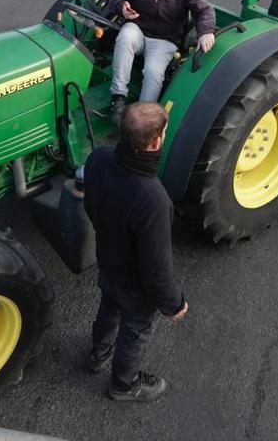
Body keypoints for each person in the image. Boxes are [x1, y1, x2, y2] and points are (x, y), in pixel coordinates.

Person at [83, 100, 188, 402]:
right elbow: (156, 268)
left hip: (107, 263)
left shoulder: (99, 159)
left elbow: (91, 206)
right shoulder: (153, 200)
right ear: (156, 141)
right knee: (136, 328)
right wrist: (174, 303)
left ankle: (98, 355)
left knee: (109, 308)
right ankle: (123, 384)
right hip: (134, 285)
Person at [108, 0, 216, 123]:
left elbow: (204, 10)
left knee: (153, 72)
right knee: (125, 36)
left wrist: (206, 32)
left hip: (165, 40)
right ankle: (118, 98)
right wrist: (122, 8)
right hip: (139, 30)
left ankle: (142, 117)